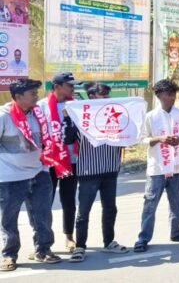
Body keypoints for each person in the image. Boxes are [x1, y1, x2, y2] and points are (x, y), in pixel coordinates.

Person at [0, 79, 61, 271]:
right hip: (10, 177)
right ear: (18, 97)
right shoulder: (4, 116)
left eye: (36, 92)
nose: (36, 96)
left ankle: (43, 250)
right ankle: (9, 255)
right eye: (32, 93)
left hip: (39, 172)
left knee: (43, 214)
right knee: (8, 219)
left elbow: (46, 141)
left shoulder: (39, 114)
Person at [134, 80, 179, 252]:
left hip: (176, 166)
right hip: (157, 167)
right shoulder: (151, 117)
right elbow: (142, 140)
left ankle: (176, 231)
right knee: (150, 203)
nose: (172, 98)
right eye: (168, 94)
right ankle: (143, 238)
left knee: (177, 201)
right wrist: (159, 139)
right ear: (159, 96)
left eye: (174, 94)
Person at [70, 83, 128, 262]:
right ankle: (80, 246)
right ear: (91, 96)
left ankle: (109, 241)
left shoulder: (118, 115)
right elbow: (70, 138)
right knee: (84, 211)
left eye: (107, 94)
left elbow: (127, 137)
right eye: (103, 94)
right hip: (88, 170)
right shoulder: (81, 117)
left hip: (110, 168)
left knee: (110, 208)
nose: (107, 97)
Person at [38, 72, 78, 253]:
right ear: (57, 86)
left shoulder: (76, 105)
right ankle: (43, 240)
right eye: (69, 85)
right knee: (46, 201)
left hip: (72, 160)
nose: (73, 88)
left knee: (69, 200)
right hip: (50, 162)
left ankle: (69, 236)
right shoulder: (41, 106)